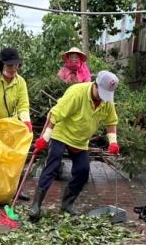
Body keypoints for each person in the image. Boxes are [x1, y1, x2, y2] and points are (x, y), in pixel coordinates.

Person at [28, 71, 121, 220]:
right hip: (62, 135)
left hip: (81, 140)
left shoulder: (106, 102)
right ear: (95, 85)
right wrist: (45, 138)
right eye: (101, 93)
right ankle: (36, 205)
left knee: (83, 171)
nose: (104, 99)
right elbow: (55, 114)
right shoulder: (76, 93)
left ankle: (67, 204)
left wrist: (113, 142)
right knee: (52, 166)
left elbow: (111, 122)